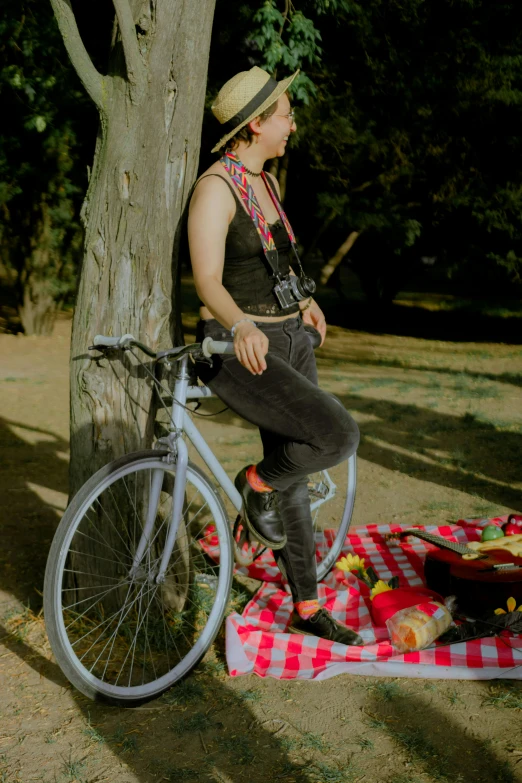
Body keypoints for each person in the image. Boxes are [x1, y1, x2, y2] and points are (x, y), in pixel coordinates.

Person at [188, 66, 362, 645]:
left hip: (289, 338)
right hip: (238, 347)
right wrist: (240, 325)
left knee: (299, 469)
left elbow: (276, 260)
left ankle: (307, 608)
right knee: (336, 436)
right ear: (256, 123)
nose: (293, 124)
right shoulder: (216, 188)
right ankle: (254, 483)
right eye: (285, 115)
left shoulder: (268, 183)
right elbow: (208, 280)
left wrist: (305, 299)